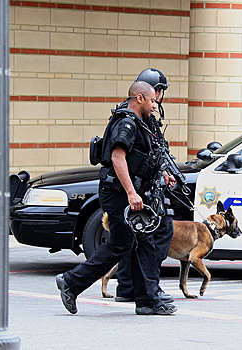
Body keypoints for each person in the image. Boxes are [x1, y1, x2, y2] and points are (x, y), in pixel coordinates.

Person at [56, 81, 177, 315]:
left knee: (134, 244)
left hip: (127, 190)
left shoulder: (141, 123)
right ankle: (73, 282)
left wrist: (162, 173)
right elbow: (118, 158)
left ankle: (145, 300)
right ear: (139, 98)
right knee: (127, 244)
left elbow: (142, 157)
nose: (155, 105)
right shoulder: (127, 123)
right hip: (119, 192)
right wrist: (132, 193)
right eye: (152, 100)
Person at [113, 68, 175, 304]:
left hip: (144, 184)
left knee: (134, 239)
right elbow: (124, 155)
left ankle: (131, 287)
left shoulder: (145, 117)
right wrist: (132, 191)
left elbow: (155, 151)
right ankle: (147, 288)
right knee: (156, 234)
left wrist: (164, 171)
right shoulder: (131, 119)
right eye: (157, 93)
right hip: (138, 187)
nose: (158, 99)